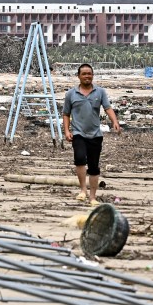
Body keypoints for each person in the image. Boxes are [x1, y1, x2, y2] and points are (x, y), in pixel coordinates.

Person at [61, 63, 120, 205]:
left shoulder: (100, 92)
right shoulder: (71, 94)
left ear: (92, 75)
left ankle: (92, 197)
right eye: (84, 74)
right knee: (80, 158)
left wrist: (115, 121)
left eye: (89, 74)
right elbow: (66, 114)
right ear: (78, 76)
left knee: (94, 166)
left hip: (95, 134)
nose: (87, 76)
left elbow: (107, 108)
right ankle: (83, 190)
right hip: (78, 133)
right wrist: (67, 131)